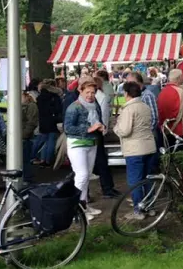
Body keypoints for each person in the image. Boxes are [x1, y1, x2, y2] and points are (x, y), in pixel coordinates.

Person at [114, 82, 157, 220]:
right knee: (148, 179)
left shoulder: (128, 109)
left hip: (135, 149)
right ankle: (149, 206)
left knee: (135, 181)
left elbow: (125, 131)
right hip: (150, 146)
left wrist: (116, 128)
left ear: (126, 93)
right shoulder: (145, 106)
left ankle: (138, 210)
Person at [64, 78, 106, 221]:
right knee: (81, 175)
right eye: (87, 92)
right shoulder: (74, 107)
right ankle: (75, 209)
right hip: (77, 144)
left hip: (92, 143)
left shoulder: (95, 105)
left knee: (87, 176)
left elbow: (98, 119)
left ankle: (84, 205)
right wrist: (89, 128)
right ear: (80, 91)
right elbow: (68, 128)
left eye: (93, 92)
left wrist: (102, 126)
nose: (90, 95)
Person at [92, 76, 119, 199]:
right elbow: (104, 115)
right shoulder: (100, 97)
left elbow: (103, 115)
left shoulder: (100, 98)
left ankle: (107, 188)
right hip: (94, 134)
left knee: (101, 163)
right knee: (101, 163)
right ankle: (107, 189)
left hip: (96, 133)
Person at [33, 79, 63, 167]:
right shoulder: (55, 96)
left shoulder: (40, 97)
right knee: (51, 141)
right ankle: (48, 160)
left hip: (43, 120)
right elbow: (58, 109)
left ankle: (40, 158)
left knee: (44, 140)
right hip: (53, 120)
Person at [157, 69, 183, 139]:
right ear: (178, 77)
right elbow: (178, 113)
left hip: (167, 128)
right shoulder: (180, 91)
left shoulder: (162, 92)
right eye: (182, 76)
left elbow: (160, 111)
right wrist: (170, 129)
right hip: (180, 130)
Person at [21, 92, 39, 183]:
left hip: (24, 137)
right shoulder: (24, 105)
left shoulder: (31, 106)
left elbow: (32, 122)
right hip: (22, 136)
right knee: (24, 158)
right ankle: (26, 177)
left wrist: (24, 134)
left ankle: (27, 178)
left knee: (25, 159)